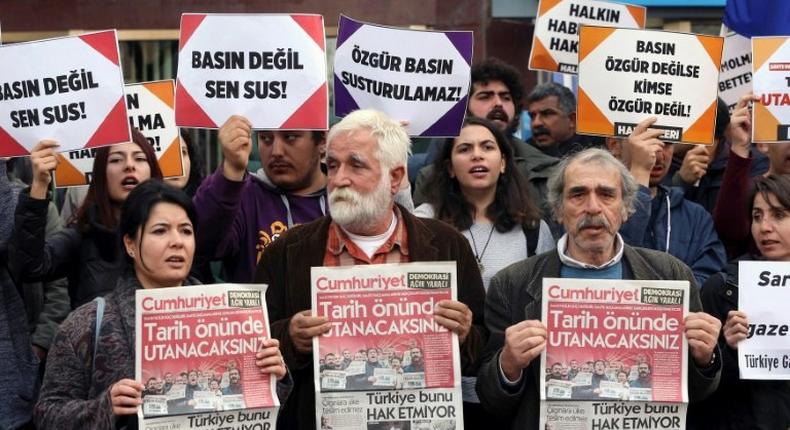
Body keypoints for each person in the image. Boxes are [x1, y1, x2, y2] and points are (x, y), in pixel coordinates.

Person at [255, 109, 487, 430]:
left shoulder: (447, 245)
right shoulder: (287, 251)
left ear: (394, 177)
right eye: (332, 165)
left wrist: (462, 334)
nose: (338, 179)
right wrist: (290, 337)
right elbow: (254, 348)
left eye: (356, 164)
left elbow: (481, 349)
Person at [476, 148, 722, 430]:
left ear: (626, 208)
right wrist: (508, 365)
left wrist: (705, 359)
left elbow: (697, 392)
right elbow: (491, 400)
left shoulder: (671, 275)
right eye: (578, 194)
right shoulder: (512, 284)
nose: (592, 207)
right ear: (558, 209)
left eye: (606, 194)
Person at [34, 180, 289, 429]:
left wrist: (273, 377)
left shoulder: (234, 319)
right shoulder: (86, 325)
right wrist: (104, 406)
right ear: (130, 244)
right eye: (160, 230)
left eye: (186, 231)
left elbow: (258, 412)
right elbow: (47, 413)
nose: (177, 241)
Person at [11, 130, 164, 309]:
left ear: (152, 171)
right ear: (100, 175)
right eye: (115, 160)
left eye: (139, 158)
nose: (129, 165)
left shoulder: (174, 234)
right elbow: (29, 267)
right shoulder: (82, 236)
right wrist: (39, 186)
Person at [688, 174, 790, 429]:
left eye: (778, 215)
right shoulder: (723, 287)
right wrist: (728, 349)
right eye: (757, 216)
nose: (764, 227)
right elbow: (700, 384)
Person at [415, 117, 555, 288]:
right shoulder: (425, 221)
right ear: (450, 168)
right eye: (465, 149)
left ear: (503, 163)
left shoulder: (533, 228)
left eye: (487, 147)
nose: (477, 155)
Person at [414, 58, 559, 221]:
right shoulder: (429, 175)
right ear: (464, 107)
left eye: (505, 97)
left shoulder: (545, 170)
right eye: (485, 97)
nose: (498, 104)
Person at [609, 117, 726, 286]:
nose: (657, 153)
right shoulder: (594, 208)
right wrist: (639, 174)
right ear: (614, 145)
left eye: (667, 143)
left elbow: (708, 282)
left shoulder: (695, 217)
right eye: (646, 141)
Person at [714, 92, 790, 258]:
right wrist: (740, 146)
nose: (765, 227)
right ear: (762, 144)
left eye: (779, 215)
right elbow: (729, 230)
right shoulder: (750, 191)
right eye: (785, 130)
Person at [525, 82, 603, 158]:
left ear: (572, 119)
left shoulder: (598, 150)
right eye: (532, 116)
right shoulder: (523, 153)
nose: (536, 123)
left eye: (547, 114)